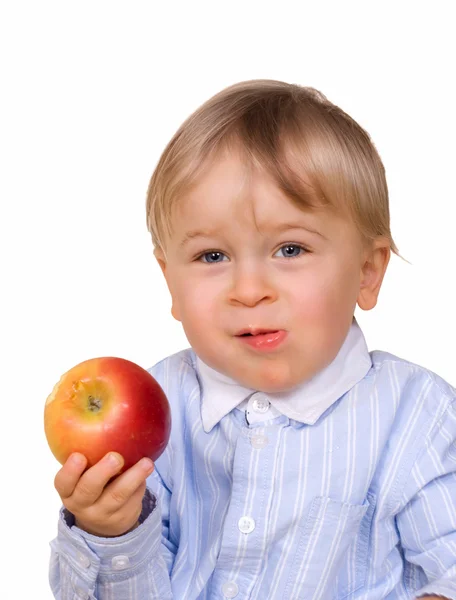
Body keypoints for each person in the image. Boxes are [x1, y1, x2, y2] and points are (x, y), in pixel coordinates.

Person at [49, 80, 456, 600]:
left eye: (290, 249)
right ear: (170, 281)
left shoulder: (416, 414)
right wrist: (112, 530)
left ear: (366, 273)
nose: (249, 290)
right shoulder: (158, 406)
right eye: (212, 257)